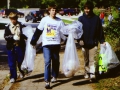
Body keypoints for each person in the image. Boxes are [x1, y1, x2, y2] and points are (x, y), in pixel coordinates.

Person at [30, 4, 67, 89]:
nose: (53, 12)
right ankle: (47, 81)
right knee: (47, 62)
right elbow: (38, 31)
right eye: (52, 10)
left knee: (56, 61)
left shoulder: (59, 21)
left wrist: (69, 39)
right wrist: (33, 41)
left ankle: (54, 75)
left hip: (56, 44)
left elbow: (64, 32)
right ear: (49, 11)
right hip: (46, 44)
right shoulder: (44, 20)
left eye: (55, 10)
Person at [78, 1, 105, 81]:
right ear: (84, 9)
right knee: (86, 60)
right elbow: (78, 31)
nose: (87, 10)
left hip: (93, 43)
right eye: (85, 9)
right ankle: (86, 72)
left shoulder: (96, 19)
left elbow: (100, 31)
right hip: (84, 43)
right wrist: (80, 40)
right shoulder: (81, 19)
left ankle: (92, 74)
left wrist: (102, 41)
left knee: (92, 60)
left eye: (89, 9)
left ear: (91, 9)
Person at [4, 12, 27, 83]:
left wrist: (21, 36)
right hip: (11, 47)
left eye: (14, 18)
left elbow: (26, 35)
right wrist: (12, 37)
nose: (13, 20)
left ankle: (21, 70)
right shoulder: (7, 27)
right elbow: (5, 36)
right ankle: (13, 77)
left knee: (20, 60)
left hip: (20, 46)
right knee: (12, 63)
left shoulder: (21, 25)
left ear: (16, 18)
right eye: (11, 19)